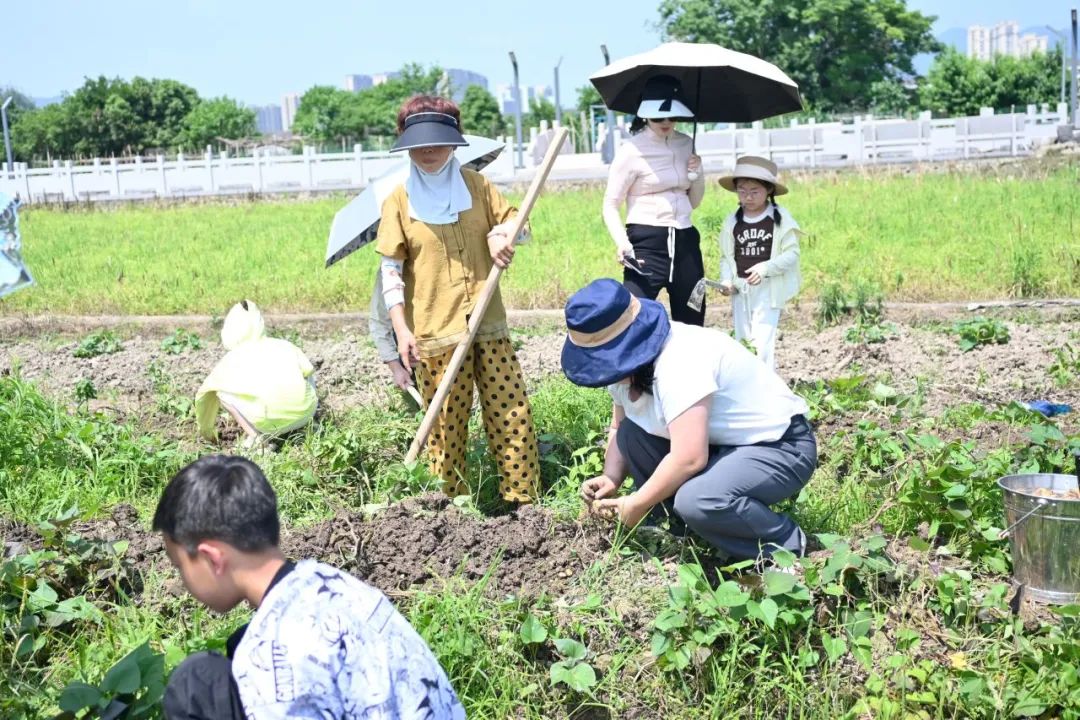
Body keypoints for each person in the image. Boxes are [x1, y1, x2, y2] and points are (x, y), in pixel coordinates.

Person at [156, 455, 466, 720]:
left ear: (212, 558)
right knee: (238, 643)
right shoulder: (329, 581)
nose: (182, 581)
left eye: (180, 565)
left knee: (195, 684)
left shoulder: (272, 655)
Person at [561, 278, 816, 562]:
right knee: (633, 434)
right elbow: (619, 425)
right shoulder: (626, 369)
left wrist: (637, 502)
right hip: (720, 445)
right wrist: (611, 476)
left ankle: (782, 544)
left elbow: (689, 458)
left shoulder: (679, 361)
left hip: (778, 446)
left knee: (698, 500)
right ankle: (681, 531)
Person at [375, 95, 539, 504]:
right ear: (406, 143)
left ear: (454, 142)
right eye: (419, 143)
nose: (428, 150)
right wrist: (400, 330)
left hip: (488, 324)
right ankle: (448, 509)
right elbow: (390, 272)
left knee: (511, 413)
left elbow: (520, 224)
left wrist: (503, 234)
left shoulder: (479, 187)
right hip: (434, 333)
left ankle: (522, 501)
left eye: (437, 141)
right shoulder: (398, 200)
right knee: (445, 426)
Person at [601, 75, 706, 325]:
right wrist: (623, 243)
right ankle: (638, 365)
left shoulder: (685, 143)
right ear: (645, 115)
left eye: (673, 116)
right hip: (647, 240)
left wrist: (698, 173)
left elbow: (695, 201)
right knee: (634, 316)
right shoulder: (631, 151)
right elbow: (610, 204)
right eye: (659, 117)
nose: (666, 122)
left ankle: (688, 364)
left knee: (692, 311)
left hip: (685, 237)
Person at [716, 156, 803, 370]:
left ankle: (766, 391)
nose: (748, 197)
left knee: (763, 342)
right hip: (741, 290)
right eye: (742, 191)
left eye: (754, 191)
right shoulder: (732, 221)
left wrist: (765, 269)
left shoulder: (779, 218)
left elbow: (792, 254)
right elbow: (726, 257)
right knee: (743, 341)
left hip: (767, 289)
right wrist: (726, 280)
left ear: (769, 190)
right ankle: (746, 388)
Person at [195, 301, 317, 447]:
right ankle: (310, 424)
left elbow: (203, 396)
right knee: (306, 373)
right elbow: (309, 370)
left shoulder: (231, 359)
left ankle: (257, 439)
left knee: (222, 393)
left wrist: (207, 433)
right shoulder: (284, 345)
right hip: (305, 415)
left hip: (267, 423)